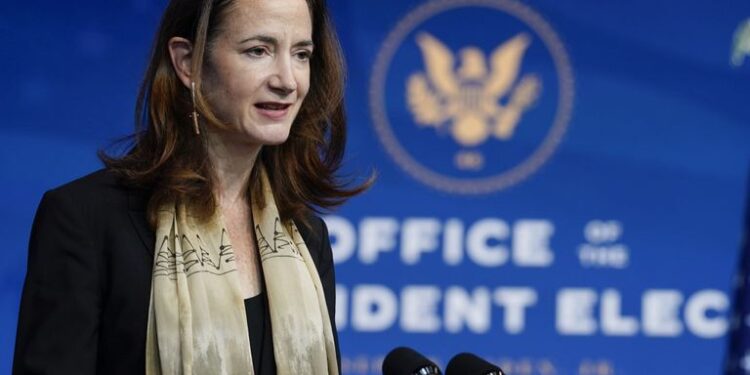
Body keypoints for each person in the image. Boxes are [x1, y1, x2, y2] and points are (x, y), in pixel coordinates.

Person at [13, 0, 369, 374]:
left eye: (301, 54)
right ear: (187, 62)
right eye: (258, 51)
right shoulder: (86, 220)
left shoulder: (306, 236)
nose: (287, 80)